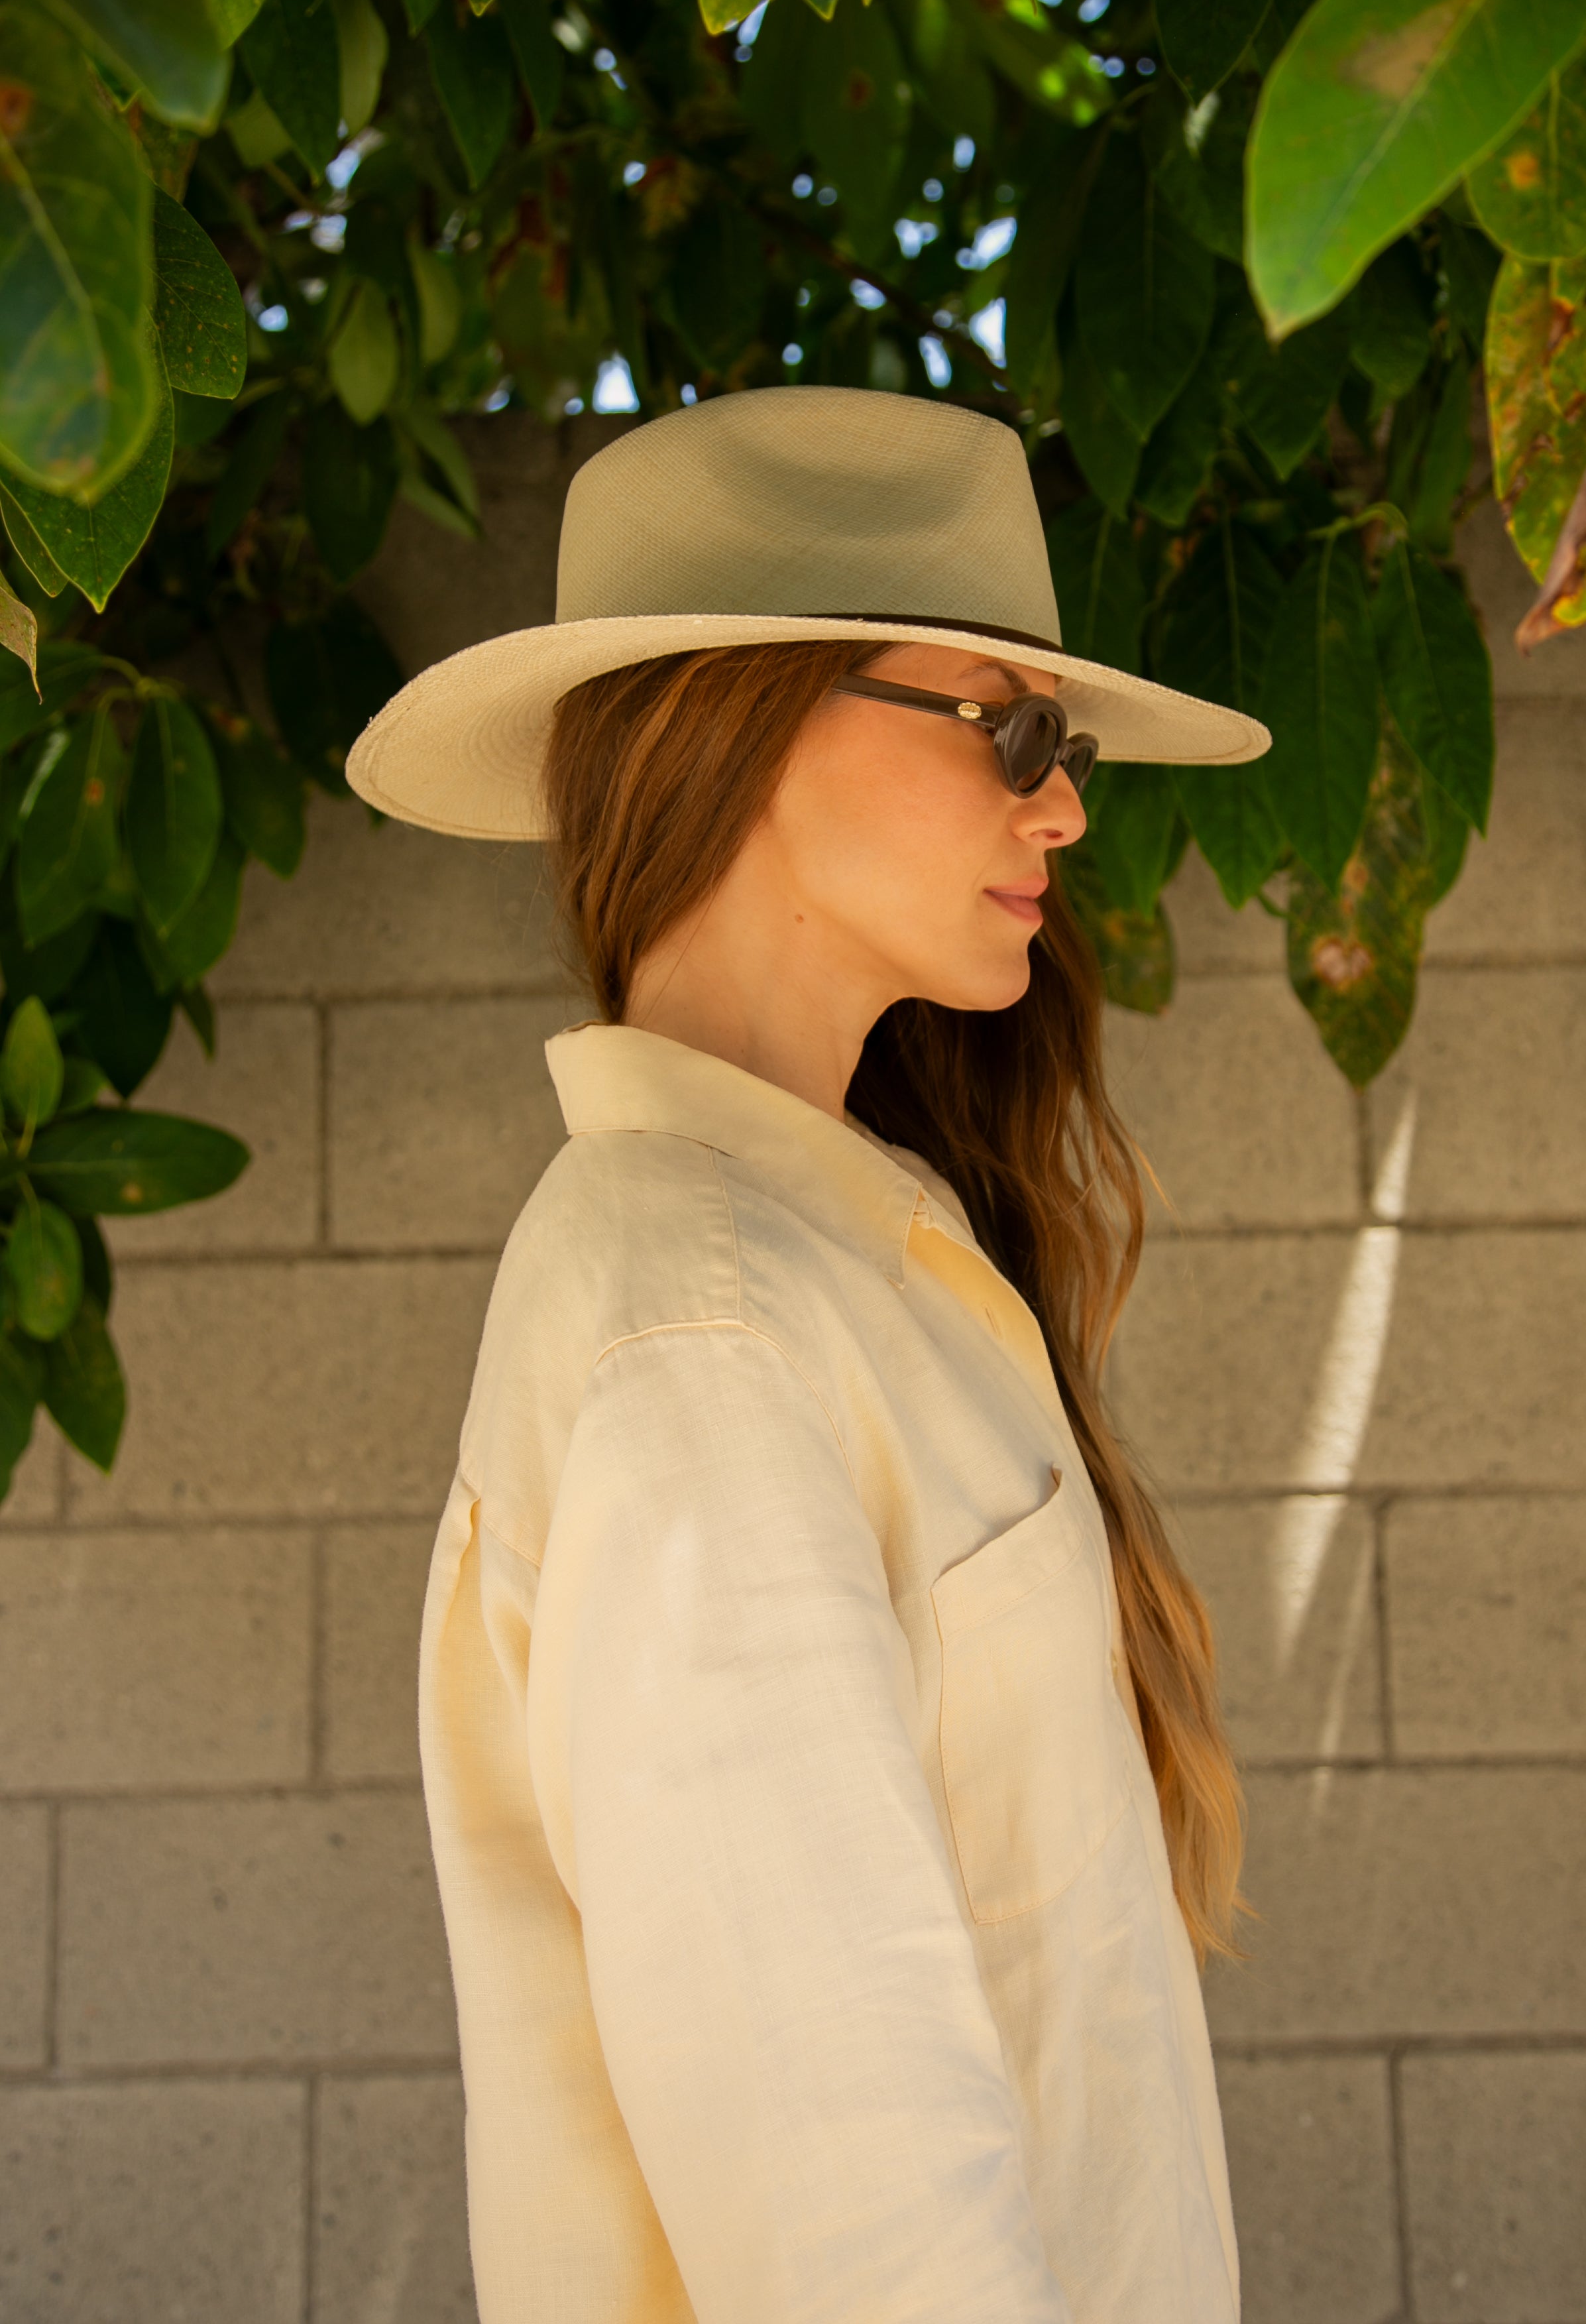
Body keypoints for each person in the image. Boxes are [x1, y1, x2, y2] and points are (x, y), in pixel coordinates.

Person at [346, 386, 1271, 2324]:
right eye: (1011, 725)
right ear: (747, 723)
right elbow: (855, 2203)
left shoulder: (815, 1262)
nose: (1068, 803)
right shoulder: (696, 1327)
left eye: (1068, 740)